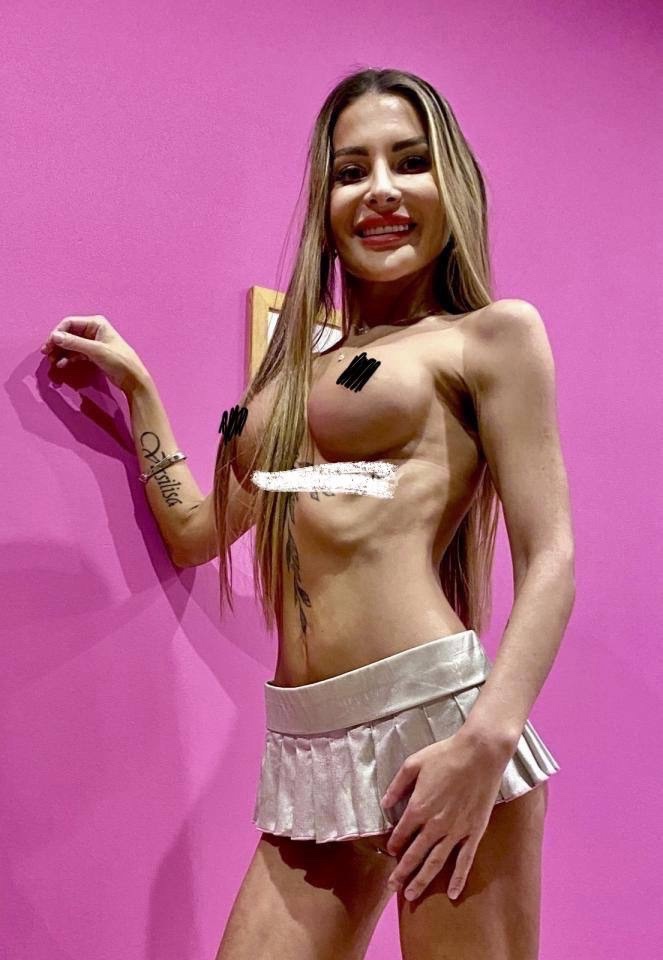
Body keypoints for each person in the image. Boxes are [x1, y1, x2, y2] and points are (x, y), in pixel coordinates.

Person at [41, 67, 575, 960]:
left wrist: (487, 740)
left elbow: (550, 552)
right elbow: (197, 532)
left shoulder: (489, 336)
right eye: (350, 170)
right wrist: (139, 392)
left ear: (451, 184)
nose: (380, 190)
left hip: (437, 725)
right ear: (323, 204)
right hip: (306, 748)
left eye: (409, 162)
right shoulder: (292, 375)